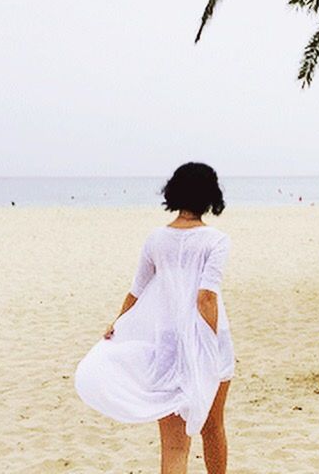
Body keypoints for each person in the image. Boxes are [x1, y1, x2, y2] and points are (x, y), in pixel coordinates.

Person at [74, 162, 235, 474]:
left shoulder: (156, 239)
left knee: (174, 445)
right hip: (206, 339)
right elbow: (206, 297)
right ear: (210, 196)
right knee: (212, 428)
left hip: (167, 342)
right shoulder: (215, 240)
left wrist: (118, 323)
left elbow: (137, 291)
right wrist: (209, 347)